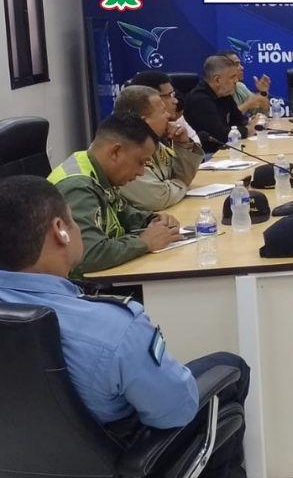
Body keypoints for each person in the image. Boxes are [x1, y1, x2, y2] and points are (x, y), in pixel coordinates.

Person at [0, 175, 249, 476]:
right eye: (74, 220)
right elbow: (175, 410)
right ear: (60, 231)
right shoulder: (113, 328)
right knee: (230, 368)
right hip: (116, 459)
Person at [47, 112, 183, 278]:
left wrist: (150, 219)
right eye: (140, 162)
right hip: (81, 289)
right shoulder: (78, 187)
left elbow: (120, 210)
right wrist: (144, 242)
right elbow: (88, 255)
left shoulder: (94, 166)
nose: (141, 172)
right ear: (116, 152)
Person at [114, 85, 205, 211]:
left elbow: (183, 176)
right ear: (143, 122)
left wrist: (183, 145)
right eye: (162, 112)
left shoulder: (155, 144)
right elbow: (157, 198)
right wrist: (182, 185)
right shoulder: (123, 151)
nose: (168, 115)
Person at [184, 55, 252, 154]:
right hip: (206, 156)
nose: (236, 81)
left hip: (224, 151)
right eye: (232, 77)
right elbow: (221, 135)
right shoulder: (199, 100)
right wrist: (248, 130)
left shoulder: (224, 94)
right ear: (217, 80)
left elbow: (238, 121)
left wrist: (243, 129)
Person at [129, 70, 201, 146]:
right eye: (169, 95)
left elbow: (196, 143)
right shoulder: (134, 140)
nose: (176, 101)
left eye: (173, 94)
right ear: (153, 97)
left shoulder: (174, 116)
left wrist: (184, 144)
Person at [220, 50, 270, 117]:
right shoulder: (217, 91)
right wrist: (247, 104)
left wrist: (263, 92)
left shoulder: (240, 86)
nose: (242, 68)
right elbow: (223, 120)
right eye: (237, 64)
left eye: (240, 64)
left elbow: (262, 113)